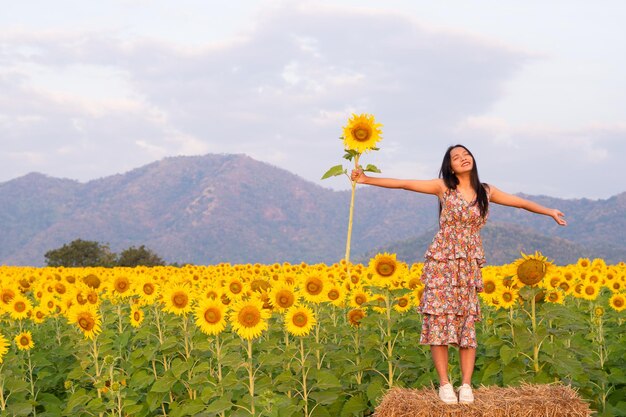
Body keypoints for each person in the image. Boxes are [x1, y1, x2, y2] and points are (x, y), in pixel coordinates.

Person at [351, 144, 566, 404]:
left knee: (466, 323)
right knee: (439, 320)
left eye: (466, 154)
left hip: (468, 265)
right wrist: (366, 179)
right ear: (449, 166)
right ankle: (444, 384)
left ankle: (466, 385)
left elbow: (519, 203)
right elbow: (405, 184)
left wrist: (549, 211)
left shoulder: (487, 191)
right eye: (456, 157)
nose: (463, 159)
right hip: (441, 262)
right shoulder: (443, 187)